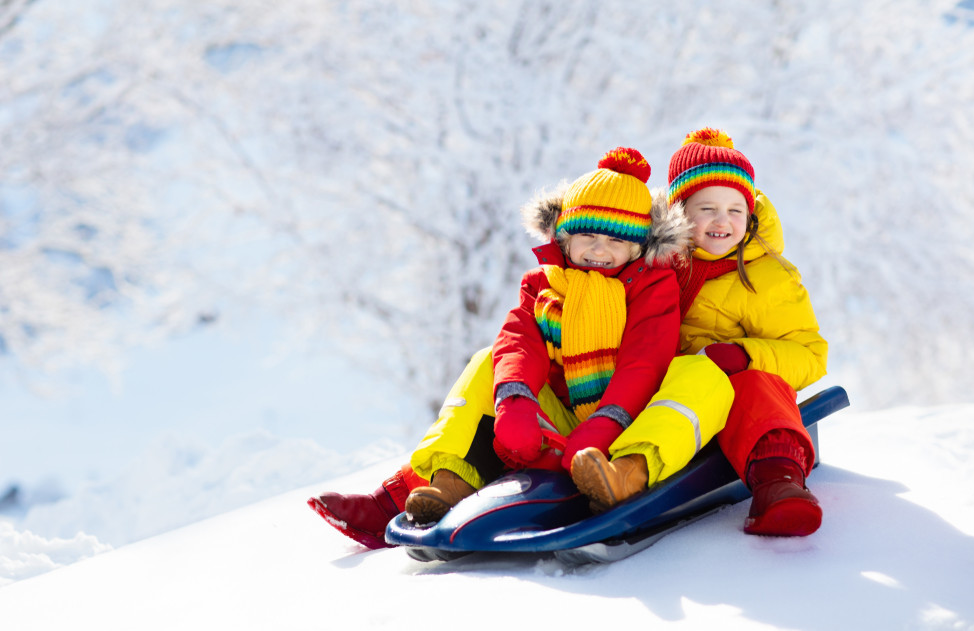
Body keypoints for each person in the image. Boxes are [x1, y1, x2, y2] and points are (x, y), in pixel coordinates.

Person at [309, 146, 734, 543]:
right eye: (587, 236)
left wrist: (603, 428)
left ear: (639, 246)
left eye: (616, 240)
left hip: (626, 429)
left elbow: (646, 362)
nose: (599, 251)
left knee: (703, 374)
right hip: (564, 432)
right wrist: (516, 403)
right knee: (487, 361)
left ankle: (627, 474)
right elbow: (518, 343)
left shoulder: (650, 286)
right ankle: (436, 486)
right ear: (565, 238)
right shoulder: (543, 285)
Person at [570, 128, 828, 536]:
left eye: (735, 209)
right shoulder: (651, 261)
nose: (722, 221)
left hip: (725, 399)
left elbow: (809, 355)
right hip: (648, 388)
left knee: (753, 387)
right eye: (706, 208)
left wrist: (742, 355)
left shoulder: (768, 277)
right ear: (678, 212)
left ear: (751, 215)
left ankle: (779, 485)